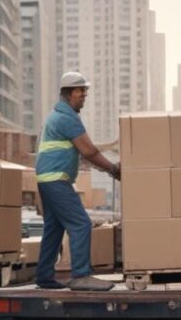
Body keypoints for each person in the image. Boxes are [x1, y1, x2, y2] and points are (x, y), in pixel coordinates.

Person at [35, 71, 120, 291]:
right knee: (81, 224)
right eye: (80, 90)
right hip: (56, 181)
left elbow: (84, 154)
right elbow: (89, 151)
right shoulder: (66, 118)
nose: (84, 94)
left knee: (54, 228)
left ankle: (44, 277)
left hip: (48, 180)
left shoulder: (59, 116)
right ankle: (81, 276)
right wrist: (113, 169)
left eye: (85, 90)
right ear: (68, 93)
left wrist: (109, 166)